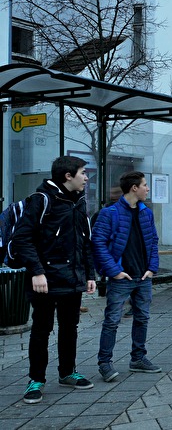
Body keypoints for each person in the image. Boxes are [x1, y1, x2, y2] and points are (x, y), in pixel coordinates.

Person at [11, 155, 96, 404]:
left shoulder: (79, 201)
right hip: (45, 280)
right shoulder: (42, 199)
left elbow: (85, 242)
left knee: (70, 328)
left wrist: (90, 275)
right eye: (83, 172)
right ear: (68, 176)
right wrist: (37, 272)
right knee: (42, 330)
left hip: (72, 279)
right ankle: (35, 380)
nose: (86, 177)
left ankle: (67, 373)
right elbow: (22, 239)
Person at [92, 171, 161, 383]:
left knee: (142, 317)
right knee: (112, 320)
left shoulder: (145, 212)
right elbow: (98, 244)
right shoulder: (109, 213)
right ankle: (105, 363)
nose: (147, 189)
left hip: (143, 277)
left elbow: (153, 241)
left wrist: (152, 267)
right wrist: (114, 271)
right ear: (134, 188)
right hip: (122, 278)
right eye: (145, 185)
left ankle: (138, 359)